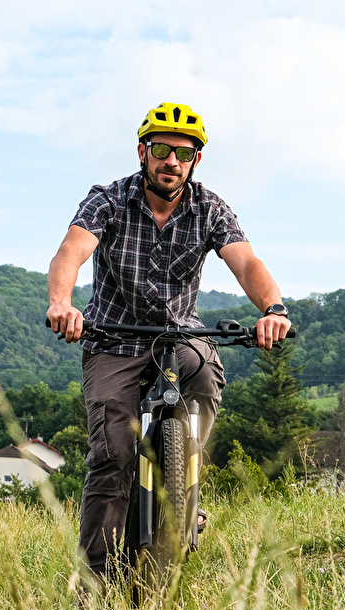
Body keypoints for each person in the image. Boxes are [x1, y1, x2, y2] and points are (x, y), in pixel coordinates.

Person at [45, 101, 291, 581]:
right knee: (112, 458)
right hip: (114, 336)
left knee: (203, 366)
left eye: (183, 153)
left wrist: (273, 309)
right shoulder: (109, 200)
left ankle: (184, 488)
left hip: (179, 334)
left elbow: (245, 263)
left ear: (195, 161)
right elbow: (71, 251)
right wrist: (62, 302)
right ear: (143, 152)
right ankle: (92, 590)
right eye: (161, 149)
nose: (171, 161)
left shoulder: (209, 207)